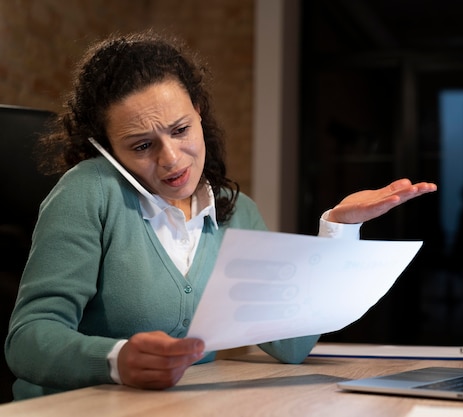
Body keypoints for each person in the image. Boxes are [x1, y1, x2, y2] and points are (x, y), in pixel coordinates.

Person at [4, 30, 437, 401]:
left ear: (199, 113)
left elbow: (291, 344)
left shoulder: (235, 209)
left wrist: (339, 231)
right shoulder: (89, 190)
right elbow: (26, 340)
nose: (172, 159)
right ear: (106, 150)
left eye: (180, 129)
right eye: (141, 146)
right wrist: (115, 360)